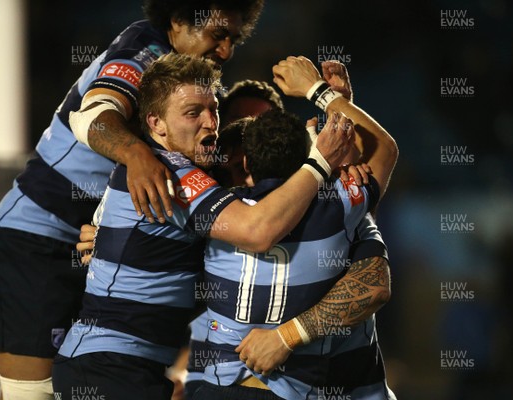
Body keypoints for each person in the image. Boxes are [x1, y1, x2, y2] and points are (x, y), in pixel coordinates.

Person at [0, 1, 265, 398]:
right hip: (35, 240)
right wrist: (137, 155)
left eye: (233, 39)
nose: (225, 50)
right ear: (178, 19)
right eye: (217, 35)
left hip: (98, 256)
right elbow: (92, 114)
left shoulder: (197, 83)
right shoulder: (143, 51)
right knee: (32, 393)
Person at [52, 52, 355, 399]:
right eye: (193, 113)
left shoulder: (182, 171)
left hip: (116, 365)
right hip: (108, 368)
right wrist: (321, 163)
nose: (211, 123)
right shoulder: (171, 173)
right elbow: (257, 231)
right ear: (156, 123)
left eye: (213, 110)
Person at [191, 56, 398, 400]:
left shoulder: (209, 214)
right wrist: (327, 100)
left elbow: (374, 285)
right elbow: (384, 150)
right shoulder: (340, 204)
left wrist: (285, 337)